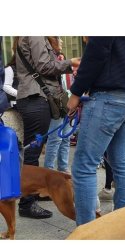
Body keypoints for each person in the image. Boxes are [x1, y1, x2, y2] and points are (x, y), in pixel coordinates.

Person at [67, 36, 125, 225]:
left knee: (84, 166)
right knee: (121, 162)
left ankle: (86, 234)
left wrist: (76, 92)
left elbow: (95, 53)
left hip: (109, 98)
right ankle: (122, 225)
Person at [16, 36, 79, 219]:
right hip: (35, 98)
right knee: (32, 152)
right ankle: (27, 203)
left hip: (36, 98)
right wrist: (71, 63)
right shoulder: (35, 34)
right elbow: (44, 66)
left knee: (34, 150)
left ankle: (33, 195)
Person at [43, 37, 71, 173]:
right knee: (55, 139)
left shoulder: (58, 58)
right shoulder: (48, 59)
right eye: (59, 38)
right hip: (54, 103)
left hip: (64, 101)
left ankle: (63, 169)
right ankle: (48, 171)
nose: (62, 41)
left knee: (66, 138)